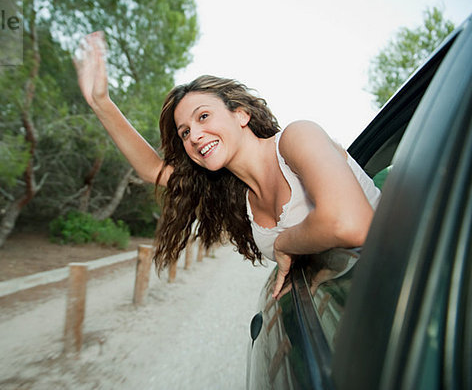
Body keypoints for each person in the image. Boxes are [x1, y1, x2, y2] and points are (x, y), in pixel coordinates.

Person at [74, 32, 381, 298]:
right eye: (184, 132)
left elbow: (350, 224)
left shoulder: (297, 138)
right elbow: (152, 170)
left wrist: (286, 243)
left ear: (241, 114)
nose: (194, 135)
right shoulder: (234, 194)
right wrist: (101, 102)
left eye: (203, 116)